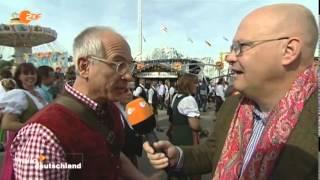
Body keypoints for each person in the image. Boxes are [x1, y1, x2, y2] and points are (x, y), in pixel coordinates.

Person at [143, 4, 318, 180]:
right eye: (232, 48)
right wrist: (179, 156)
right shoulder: (232, 106)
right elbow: (213, 151)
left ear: (289, 51)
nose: (229, 57)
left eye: (241, 46)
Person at [10, 26, 159, 180]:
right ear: (84, 67)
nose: (129, 76)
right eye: (119, 65)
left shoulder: (109, 109)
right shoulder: (43, 137)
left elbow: (112, 154)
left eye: (129, 66)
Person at [0, 63, 48, 180]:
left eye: (33, 73)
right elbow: (7, 124)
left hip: (38, 144)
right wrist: (36, 128)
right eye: (25, 73)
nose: (30, 76)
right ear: (19, 77)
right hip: (24, 146)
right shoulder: (19, 95)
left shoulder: (38, 94)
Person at [167, 73, 201, 180]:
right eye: (195, 83)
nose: (197, 85)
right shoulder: (189, 99)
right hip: (188, 136)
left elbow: (173, 118)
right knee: (194, 165)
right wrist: (201, 127)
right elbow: (194, 125)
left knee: (179, 163)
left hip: (176, 134)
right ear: (189, 84)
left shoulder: (176, 97)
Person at [115, 87, 143, 168]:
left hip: (131, 155)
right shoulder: (113, 112)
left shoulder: (131, 107)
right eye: (125, 90)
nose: (130, 93)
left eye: (131, 90)